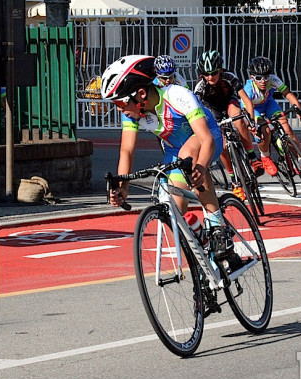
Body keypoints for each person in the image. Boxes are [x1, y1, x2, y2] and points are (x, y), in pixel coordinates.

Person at [100, 55, 235, 261]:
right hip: (176, 149)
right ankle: (202, 259)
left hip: (206, 137)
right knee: (171, 211)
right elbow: (126, 151)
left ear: (141, 94)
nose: (119, 109)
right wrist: (122, 187)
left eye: (119, 103)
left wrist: (201, 167)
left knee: (187, 156)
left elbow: (206, 139)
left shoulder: (177, 95)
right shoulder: (132, 112)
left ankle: (217, 225)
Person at [193, 50, 264, 201]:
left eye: (213, 73)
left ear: (220, 70)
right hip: (212, 109)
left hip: (229, 102)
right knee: (223, 145)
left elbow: (246, 99)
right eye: (206, 74)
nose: (210, 77)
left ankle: (252, 157)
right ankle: (234, 180)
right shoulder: (200, 87)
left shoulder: (229, 77)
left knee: (238, 119)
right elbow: (196, 112)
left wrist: (250, 121)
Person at [242, 56, 301, 178]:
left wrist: (299, 110)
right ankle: (265, 156)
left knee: (287, 129)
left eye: (266, 77)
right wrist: (252, 125)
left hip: (268, 104)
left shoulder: (274, 79)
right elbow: (247, 110)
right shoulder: (249, 89)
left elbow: (288, 94)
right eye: (259, 78)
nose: (263, 81)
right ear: (252, 77)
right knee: (265, 130)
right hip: (253, 110)